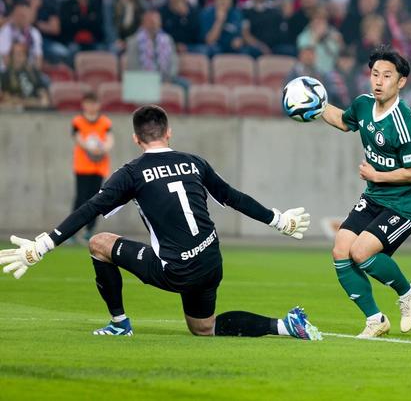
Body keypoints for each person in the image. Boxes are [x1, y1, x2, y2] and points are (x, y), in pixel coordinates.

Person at [0, 105, 321, 341]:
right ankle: (283, 325)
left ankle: (119, 323)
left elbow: (89, 209)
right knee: (203, 329)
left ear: (136, 139)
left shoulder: (132, 173)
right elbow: (233, 197)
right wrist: (279, 220)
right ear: (168, 133)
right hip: (211, 262)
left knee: (99, 244)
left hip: (176, 270)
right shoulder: (194, 162)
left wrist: (43, 244)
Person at [320, 45, 411, 338]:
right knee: (341, 249)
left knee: (361, 252)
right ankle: (375, 319)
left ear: (401, 82)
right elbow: (343, 121)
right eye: (375, 74)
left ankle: (408, 293)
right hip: (374, 198)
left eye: (387, 76)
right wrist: (317, 104)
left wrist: (377, 174)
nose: (378, 81)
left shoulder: (404, 123)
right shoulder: (364, 105)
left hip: (404, 205)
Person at [71, 92, 114, 242]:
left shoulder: (105, 122)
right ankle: (73, 231)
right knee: (80, 199)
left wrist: (103, 149)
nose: (91, 106)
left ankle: (90, 230)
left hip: (99, 167)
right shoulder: (78, 121)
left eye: (94, 103)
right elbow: (78, 139)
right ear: (84, 104)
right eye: (88, 103)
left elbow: (109, 140)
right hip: (82, 166)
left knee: (96, 199)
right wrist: (90, 148)